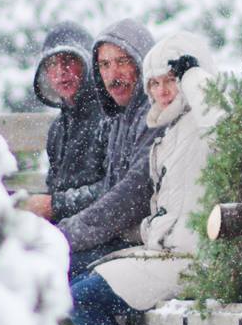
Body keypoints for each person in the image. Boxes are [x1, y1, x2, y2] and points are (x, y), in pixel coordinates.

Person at [64, 30, 222, 325]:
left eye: (171, 81)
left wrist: (196, 77)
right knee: (79, 284)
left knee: (83, 298)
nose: (162, 92)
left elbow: (225, 126)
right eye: (155, 84)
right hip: (164, 252)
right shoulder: (167, 137)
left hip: (191, 259)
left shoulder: (204, 131)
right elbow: (166, 209)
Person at [46, 18, 161, 273]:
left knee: (68, 286)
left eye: (122, 62)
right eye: (105, 65)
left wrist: (61, 232)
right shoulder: (119, 115)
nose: (113, 75)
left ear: (142, 65)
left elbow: (129, 197)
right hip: (112, 237)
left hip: (141, 242)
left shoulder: (151, 116)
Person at [19, 23, 109, 273]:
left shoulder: (108, 118)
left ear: (89, 64)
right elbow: (55, 190)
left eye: (70, 60)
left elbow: (115, 189)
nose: (61, 72)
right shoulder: (58, 129)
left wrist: (55, 205)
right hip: (64, 239)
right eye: (52, 64)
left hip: (102, 241)